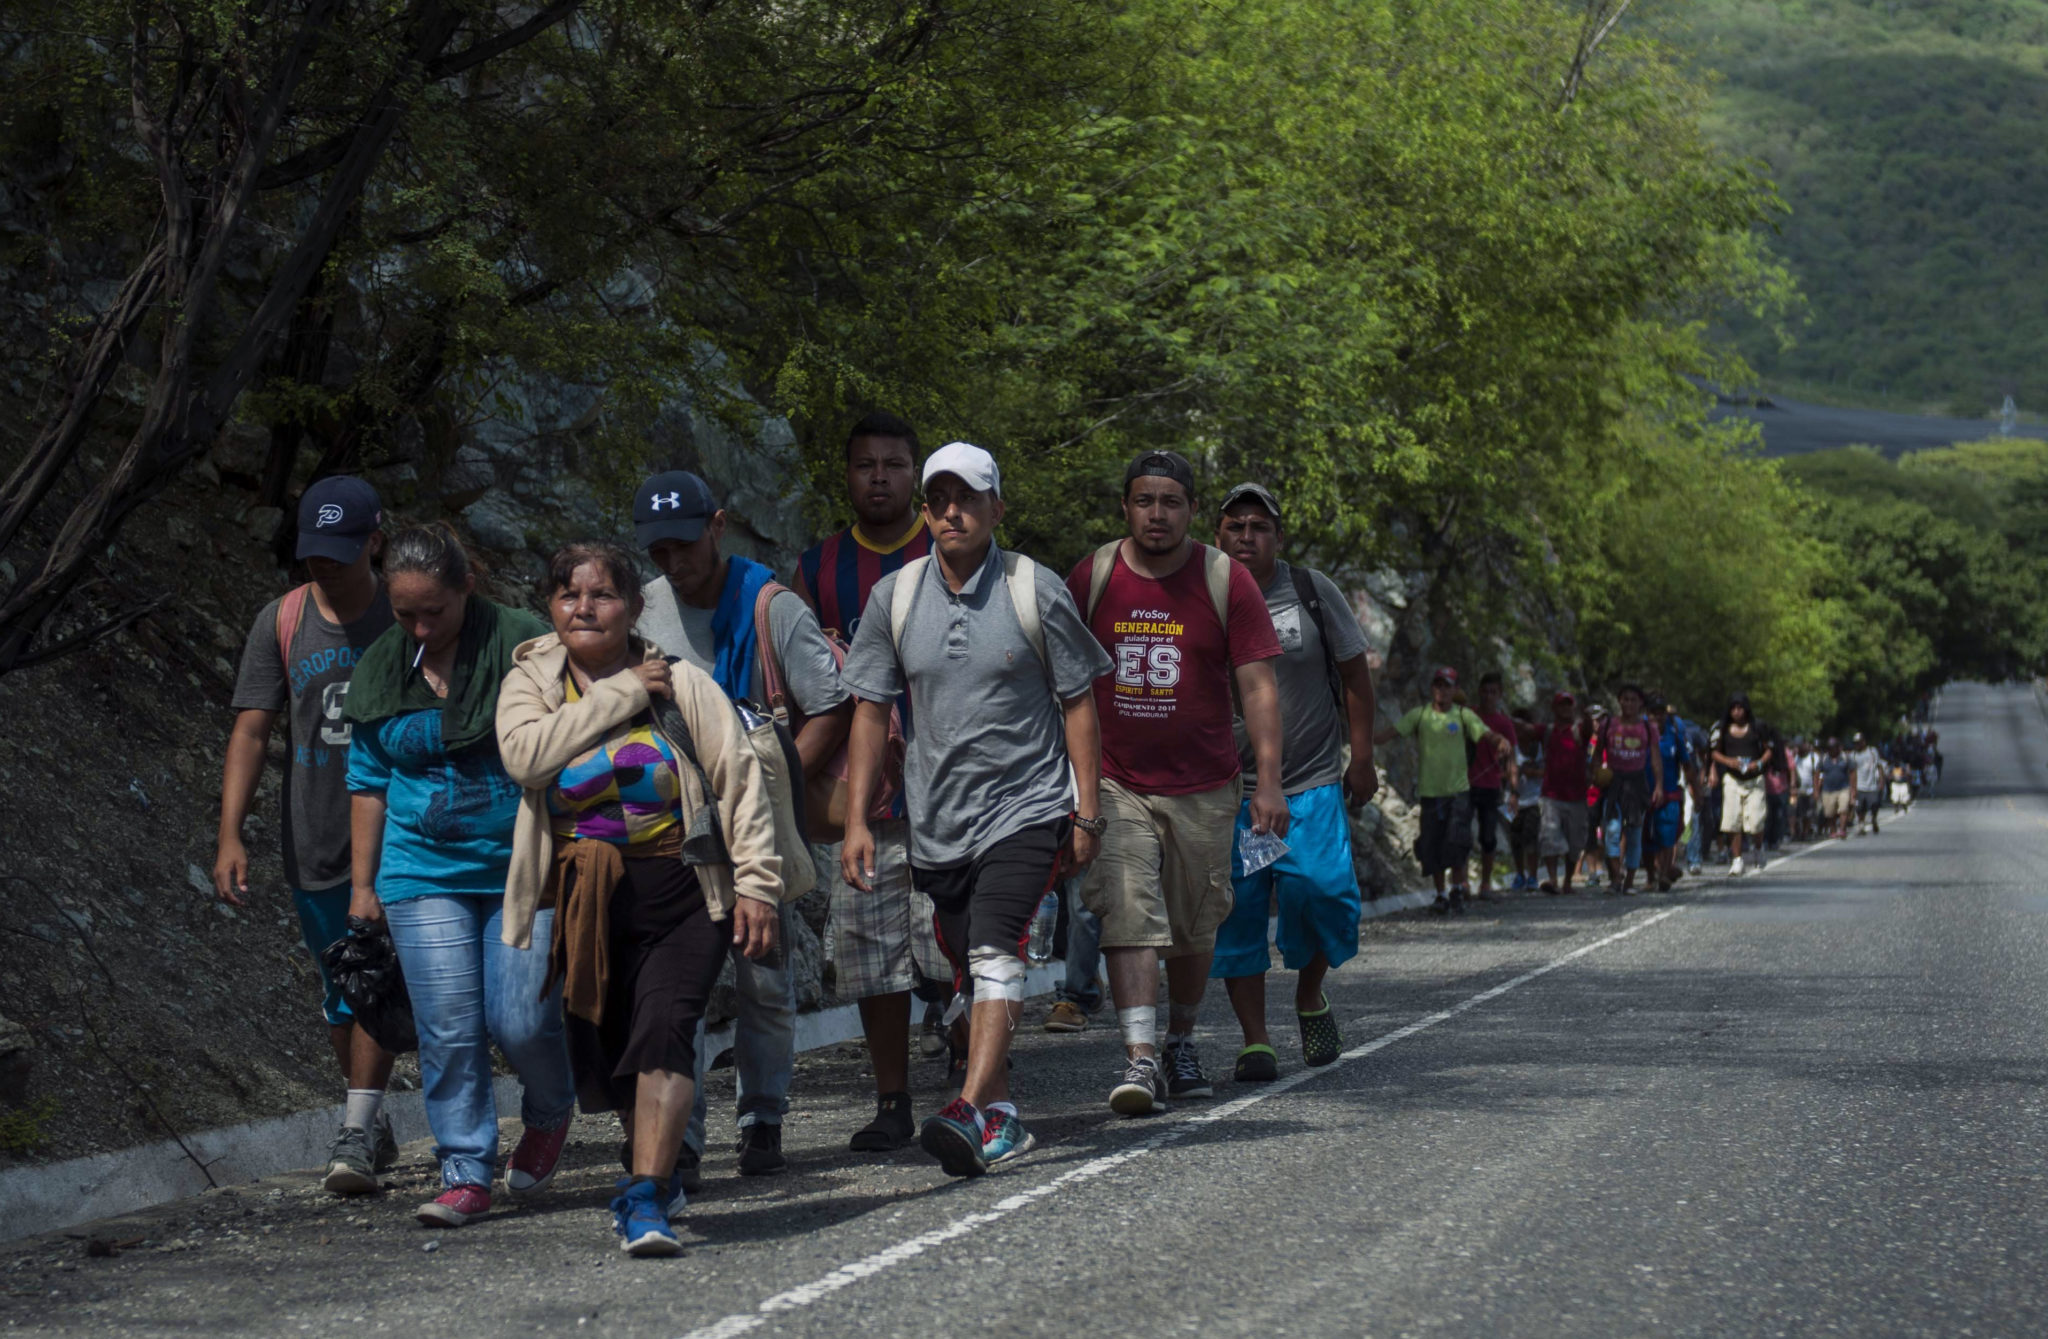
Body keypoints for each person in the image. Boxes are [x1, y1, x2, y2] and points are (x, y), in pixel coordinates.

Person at [496, 542, 787, 1256]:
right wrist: (625, 692)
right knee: (612, 1041)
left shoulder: (684, 683)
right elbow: (527, 757)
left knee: (666, 1029)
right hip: (585, 898)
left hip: (684, 886)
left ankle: (648, 1192)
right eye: (568, 595)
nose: (584, 608)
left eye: (602, 595)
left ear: (633, 606)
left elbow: (739, 781)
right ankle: (651, 1161)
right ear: (550, 607)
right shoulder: (531, 681)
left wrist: (758, 884)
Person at [841, 441, 1111, 1174]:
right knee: (967, 964)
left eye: (967, 498)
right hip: (938, 824)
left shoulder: (1034, 589)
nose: (951, 512)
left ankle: (965, 1105)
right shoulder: (895, 597)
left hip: (1027, 806)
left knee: (996, 946)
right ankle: (1002, 1118)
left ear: (997, 508)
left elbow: (1078, 702)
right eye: (938, 500)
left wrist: (1087, 811)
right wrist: (858, 819)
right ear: (925, 511)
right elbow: (870, 709)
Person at [342, 525, 574, 1229]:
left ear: (467, 584)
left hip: (522, 864)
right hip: (420, 869)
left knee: (522, 1020)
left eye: (434, 611)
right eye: (404, 613)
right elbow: (368, 782)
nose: (419, 627)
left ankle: (550, 1108)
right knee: (448, 1028)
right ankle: (465, 1169)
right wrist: (362, 887)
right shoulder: (381, 669)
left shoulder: (524, 643)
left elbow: (574, 730)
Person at [634, 470, 851, 1176]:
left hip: (757, 822)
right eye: (659, 549)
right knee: (681, 989)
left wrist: (770, 784)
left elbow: (831, 706)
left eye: (685, 543)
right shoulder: (644, 612)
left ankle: (763, 1116)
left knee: (764, 978)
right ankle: (681, 1139)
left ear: (718, 526)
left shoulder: (771, 608)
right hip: (674, 827)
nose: (674, 561)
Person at [1067, 450, 1286, 1113]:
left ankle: (1180, 1039)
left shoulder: (1225, 579)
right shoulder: (1093, 576)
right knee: (1127, 904)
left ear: (1192, 510)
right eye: (1144, 500)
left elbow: (1258, 685)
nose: (1156, 514)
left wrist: (1269, 781)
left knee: (1195, 924)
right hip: (1116, 780)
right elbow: (1059, 677)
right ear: (1125, 507)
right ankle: (1139, 1057)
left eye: (1170, 502)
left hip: (1205, 785)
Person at [218, 477, 399, 1193]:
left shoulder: (405, 610)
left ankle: (358, 1127)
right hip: (315, 834)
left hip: (403, 831)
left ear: (374, 542)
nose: (324, 564)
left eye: (340, 551)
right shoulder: (284, 619)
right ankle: (368, 1119)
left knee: (387, 977)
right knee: (343, 987)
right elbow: (252, 728)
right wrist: (231, 833)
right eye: (314, 551)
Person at [791, 414, 958, 1134]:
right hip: (864, 790)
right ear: (848, 475)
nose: (880, 477)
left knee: (956, 939)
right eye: (866, 465)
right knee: (870, 951)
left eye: (894, 464)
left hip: (954, 781)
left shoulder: (950, 548)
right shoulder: (816, 568)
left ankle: (974, 1076)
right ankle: (892, 1100)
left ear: (915, 476)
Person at [1210, 482, 1378, 1080]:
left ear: (1278, 537)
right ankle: (1256, 1040)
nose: (1247, 536)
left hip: (1309, 782)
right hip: (1229, 789)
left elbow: (1355, 675)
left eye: (1259, 526)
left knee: (1324, 893)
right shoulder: (1203, 594)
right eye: (1235, 526)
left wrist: (1362, 756)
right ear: (1217, 536)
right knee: (1238, 913)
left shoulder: (1310, 590)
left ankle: (1309, 993)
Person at [1379, 668, 1512, 913]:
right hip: (1430, 792)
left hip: (1458, 792)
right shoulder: (1420, 715)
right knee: (1432, 843)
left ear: (1455, 690)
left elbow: (1485, 733)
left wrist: (1500, 741)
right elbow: (1393, 732)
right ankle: (1440, 894)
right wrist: (1365, 741)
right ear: (1433, 688)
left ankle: (1457, 889)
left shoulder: (1463, 715)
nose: (1442, 690)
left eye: (1447, 685)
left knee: (1458, 841)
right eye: (1438, 685)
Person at [1594, 685, 1663, 895]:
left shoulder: (1647, 728)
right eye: (1625, 699)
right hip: (1613, 782)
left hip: (1637, 783)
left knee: (1634, 833)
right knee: (1611, 830)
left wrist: (1659, 786)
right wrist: (1594, 775)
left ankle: (1629, 882)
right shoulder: (1608, 725)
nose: (1629, 703)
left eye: (1633, 700)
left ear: (1640, 703)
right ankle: (1616, 877)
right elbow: (1597, 753)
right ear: (1619, 701)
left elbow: (1655, 759)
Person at [1463, 673, 1520, 901]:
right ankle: (1463, 882)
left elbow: (1512, 760)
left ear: (1500, 695)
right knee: (1462, 835)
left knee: (1488, 836)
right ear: (1479, 692)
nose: (1489, 696)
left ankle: (1485, 882)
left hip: (1491, 785)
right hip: (1465, 784)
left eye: (1493, 692)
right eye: (1485, 691)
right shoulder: (1468, 715)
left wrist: (1514, 792)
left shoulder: (1504, 723)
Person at [1536, 691, 1592, 895]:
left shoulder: (1578, 730)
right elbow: (1525, 729)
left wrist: (1587, 714)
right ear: (1554, 708)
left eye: (1569, 705)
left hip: (1577, 796)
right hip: (1551, 795)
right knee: (1549, 837)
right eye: (1561, 705)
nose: (1565, 709)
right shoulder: (1548, 731)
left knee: (1575, 842)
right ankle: (1552, 879)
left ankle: (1567, 881)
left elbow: (1589, 729)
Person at [1710, 693, 1771, 875]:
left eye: (1740, 708)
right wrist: (1728, 762)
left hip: (1754, 780)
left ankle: (1758, 848)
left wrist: (1758, 763)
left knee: (1756, 821)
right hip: (1732, 779)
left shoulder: (1757, 727)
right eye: (1733, 708)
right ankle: (1737, 860)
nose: (1737, 712)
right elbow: (1714, 752)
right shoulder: (1722, 728)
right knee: (1732, 821)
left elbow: (1769, 750)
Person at [1643, 694, 1693, 892]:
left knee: (1667, 837)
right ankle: (1650, 875)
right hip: (1644, 794)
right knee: (1646, 839)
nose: (1657, 717)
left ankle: (1663, 873)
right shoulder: (1640, 734)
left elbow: (1687, 764)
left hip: (1670, 794)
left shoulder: (1675, 736)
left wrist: (1695, 790)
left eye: (1660, 713)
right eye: (1653, 713)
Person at [1508, 707, 1545, 892]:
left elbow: (1548, 771)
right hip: (1512, 801)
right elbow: (1502, 771)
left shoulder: (1538, 747)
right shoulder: (1509, 747)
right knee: (1515, 840)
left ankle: (1533, 876)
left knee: (1531, 839)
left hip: (1533, 800)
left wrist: (1531, 772)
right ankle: (1519, 874)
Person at [1849, 732, 1886, 835]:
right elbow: (1851, 772)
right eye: (1855, 743)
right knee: (1860, 807)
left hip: (1872, 785)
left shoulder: (1872, 751)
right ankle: (1861, 825)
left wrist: (1881, 781)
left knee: (1874, 804)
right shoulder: (1853, 755)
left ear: (1864, 742)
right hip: (1859, 785)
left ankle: (1874, 818)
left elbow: (1879, 766)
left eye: (1859, 742)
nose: (1857, 745)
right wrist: (1851, 787)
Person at [1816, 737, 1853, 839]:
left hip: (1843, 788)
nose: (1831, 750)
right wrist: (1816, 790)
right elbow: (1817, 773)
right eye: (1830, 748)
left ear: (1838, 748)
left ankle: (1842, 829)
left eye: (1833, 747)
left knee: (1843, 809)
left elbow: (1852, 772)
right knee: (1830, 813)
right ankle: (1833, 830)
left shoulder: (1845, 758)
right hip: (1828, 790)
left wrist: (1853, 790)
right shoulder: (1824, 759)